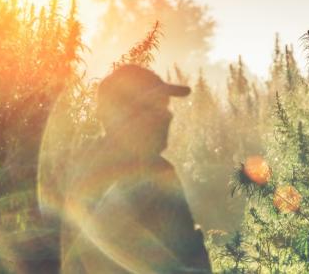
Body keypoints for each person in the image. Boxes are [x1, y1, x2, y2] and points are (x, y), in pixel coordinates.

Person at [60, 64, 212, 273]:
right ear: (125, 114)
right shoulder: (96, 176)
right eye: (156, 106)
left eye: (166, 105)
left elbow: (190, 250)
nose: (168, 115)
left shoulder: (159, 170)